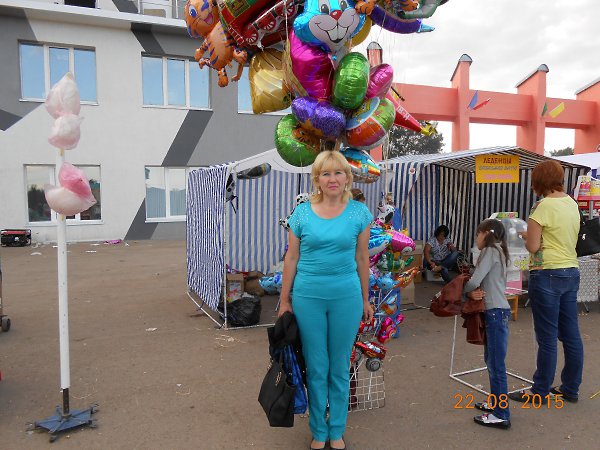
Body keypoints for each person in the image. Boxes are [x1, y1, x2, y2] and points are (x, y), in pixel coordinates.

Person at [278, 150, 374, 450]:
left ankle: (337, 430)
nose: (332, 179)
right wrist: (284, 300)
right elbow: (291, 258)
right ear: (317, 179)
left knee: (339, 366)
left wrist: (366, 299)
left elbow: (362, 258)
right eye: (326, 173)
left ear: (348, 177)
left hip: (347, 297)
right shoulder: (301, 213)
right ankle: (319, 430)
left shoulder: (359, 213)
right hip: (308, 297)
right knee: (317, 366)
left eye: (338, 172)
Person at [509, 160, 583, 404]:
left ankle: (539, 391)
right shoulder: (571, 203)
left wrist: (526, 236)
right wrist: (532, 234)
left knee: (547, 337)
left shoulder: (541, 207)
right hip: (570, 271)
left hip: (547, 273)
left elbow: (533, 246)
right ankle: (570, 388)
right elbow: (560, 236)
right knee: (571, 334)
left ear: (539, 181)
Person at [463, 219, 512, 429]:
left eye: (478, 234)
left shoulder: (490, 251)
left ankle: (501, 413)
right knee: (492, 361)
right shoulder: (500, 251)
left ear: (486, 233)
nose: (476, 238)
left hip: (495, 313)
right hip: (497, 312)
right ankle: (495, 402)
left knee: (496, 365)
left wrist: (464, 290)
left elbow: (475, 281)